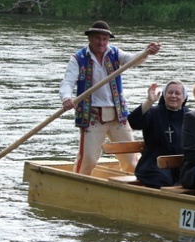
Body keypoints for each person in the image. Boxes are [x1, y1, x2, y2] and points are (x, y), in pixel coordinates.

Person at [59, 20, 161, 175]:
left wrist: (146, 52)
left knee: (130, 159)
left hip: (117, 115)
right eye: (97, 38)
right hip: (92, 116)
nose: (101, 42)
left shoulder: (114, 53)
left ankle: (134, 187)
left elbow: (134, 60)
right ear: (89, 38)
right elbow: (68, 82)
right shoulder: (78, 58)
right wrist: (67, 98)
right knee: (89, 159)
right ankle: (78, 185)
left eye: (105, 39)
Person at [128, 80, 189, 188]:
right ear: (164, 96)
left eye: (177, 93)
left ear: (184, 97)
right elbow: (134, 122)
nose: (173, 96)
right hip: (154, 164)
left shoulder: (189, 116)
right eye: (170, 92)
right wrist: (149, 101)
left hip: (181, 164)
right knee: (164, 180)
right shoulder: (153, 112)